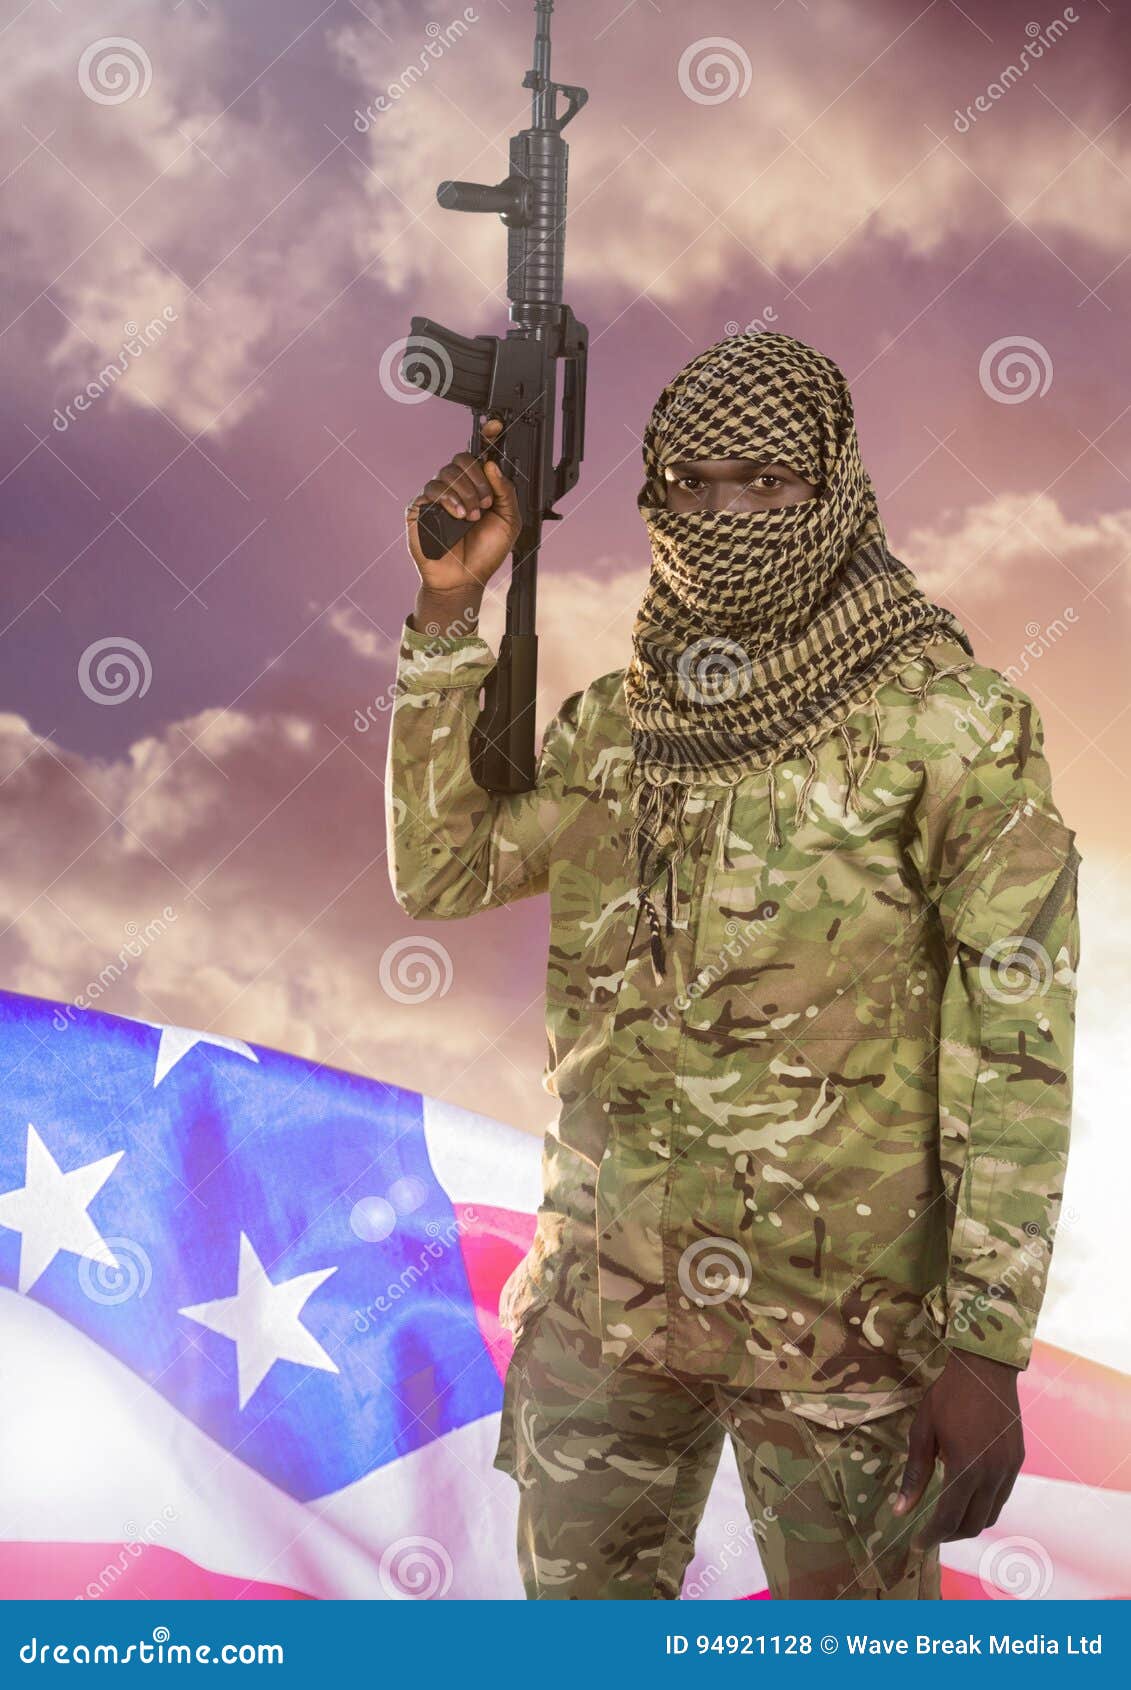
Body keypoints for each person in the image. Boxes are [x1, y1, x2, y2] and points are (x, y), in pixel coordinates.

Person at [387, 331, 1082, 1600]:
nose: (730, 515)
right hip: (609, 1311)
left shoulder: (950, 726)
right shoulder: (622, 721)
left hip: (843, 1335)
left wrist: (989, 1339)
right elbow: (445, 869)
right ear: (656, 497)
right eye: (698, 487)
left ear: (835, 489)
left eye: (768, 487)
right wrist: (449, 610)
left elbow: (1017, 1037)